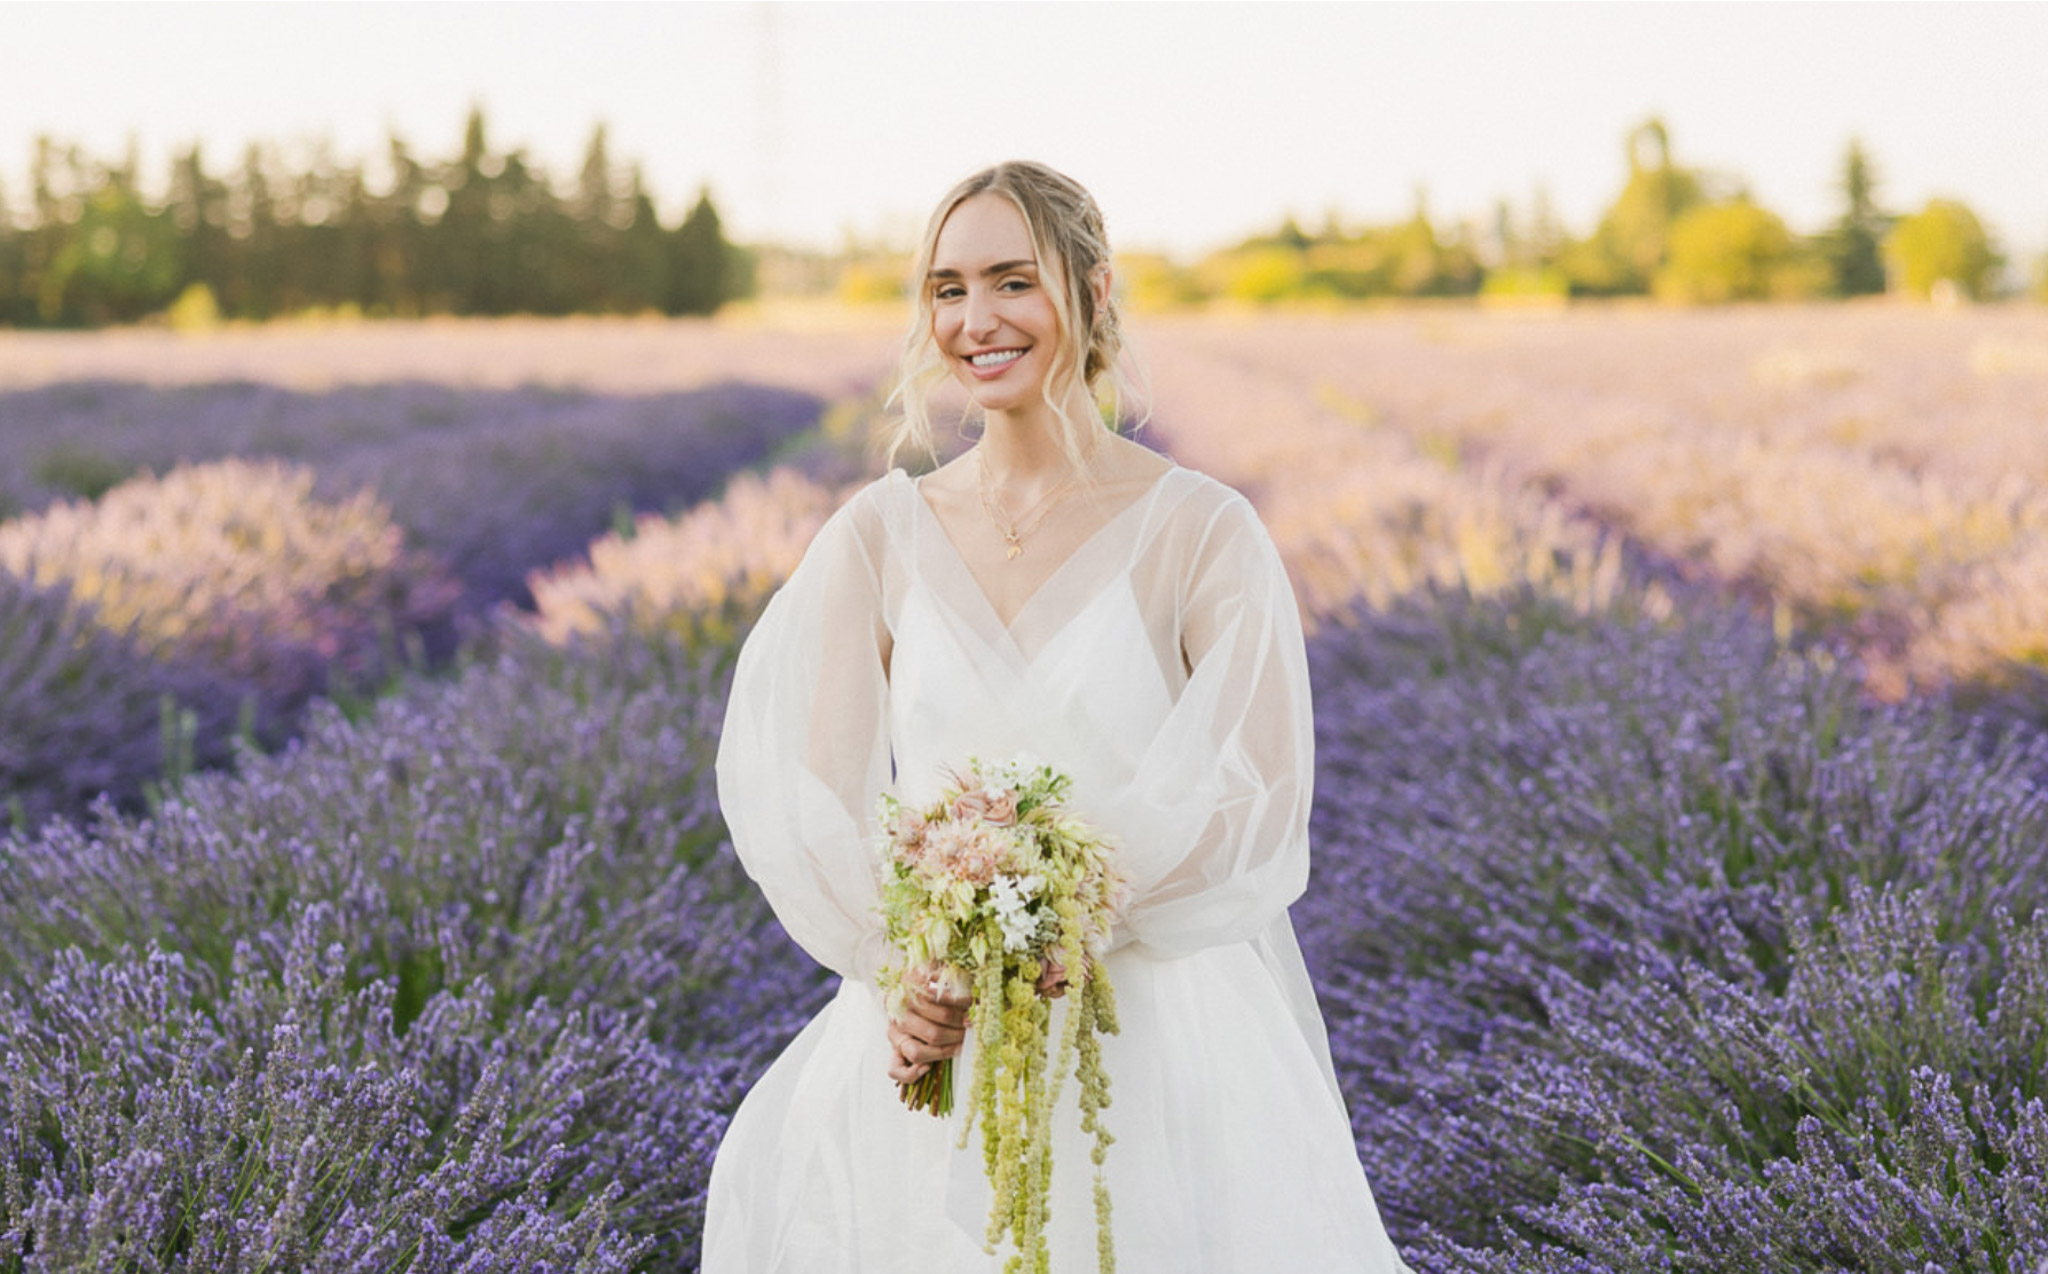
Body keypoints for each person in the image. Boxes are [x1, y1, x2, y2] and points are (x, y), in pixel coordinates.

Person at [707, 160, 1410, 1272]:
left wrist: (1059, 917)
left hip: (1157, 1041)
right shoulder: (878, 538)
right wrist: (913, 970)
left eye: (1009, 280)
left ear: (1088, 291)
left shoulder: (1201, 532)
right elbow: (806, 795)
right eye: (945, 288)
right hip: (941, 1033)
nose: (974, 320)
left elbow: (1255, 802)